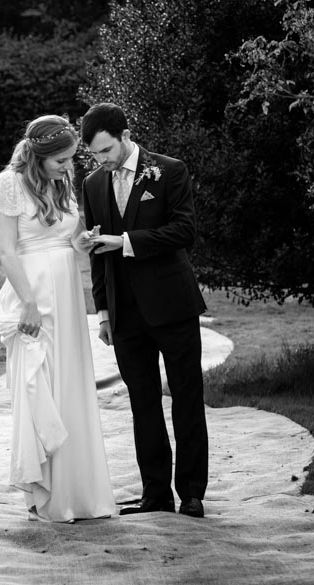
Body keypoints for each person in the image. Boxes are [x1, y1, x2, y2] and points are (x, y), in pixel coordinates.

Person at [74, 102, 209, 518]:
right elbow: (98, 254)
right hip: (125, 314)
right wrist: (103, 313)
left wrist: (126, 241)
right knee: (142, 403)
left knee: (186, 398)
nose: (102, 160)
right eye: (95, 154)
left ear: (126, 135)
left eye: (107, 150)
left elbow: (184, 231)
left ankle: (190, 493)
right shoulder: (93, 183)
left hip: (173, 305)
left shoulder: (170, 170)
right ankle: (156, 495)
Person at [0, 114, 115, 522]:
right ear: (38, 156)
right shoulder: (9, 184)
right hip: (34, 294)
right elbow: (7, 251)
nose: (68, 166)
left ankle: (79, 494)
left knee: (71, 386)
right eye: (61, 160)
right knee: (40, 386)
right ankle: (46, 494)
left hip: (66, 292)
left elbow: (66, 239)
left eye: (70, 159)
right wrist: (27, 302)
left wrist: (79, 243)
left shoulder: (62, 181)